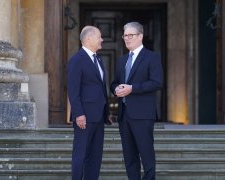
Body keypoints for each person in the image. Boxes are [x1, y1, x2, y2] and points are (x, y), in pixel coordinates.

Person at [110, 22, 163, 180]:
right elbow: (115, 82)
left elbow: (157, 82)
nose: (127, 39)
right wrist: (116, 89)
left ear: (140, 36)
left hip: (143, 115)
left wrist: (132, 88)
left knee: (147, 156)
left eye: (130, 35)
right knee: (129, 158)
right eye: (125, 35)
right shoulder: (122, 60)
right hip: (124, 115)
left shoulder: (152, 57)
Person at [67, 25, 112, 180]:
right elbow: (73, 91)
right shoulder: (76, 60)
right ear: (88, 38)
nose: (102, 39)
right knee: (80, 155)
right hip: (84, 117)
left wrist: (106, 113)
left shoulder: (98, 59)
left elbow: (99, 87)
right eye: (99, 36)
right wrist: (79, 113)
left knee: (95, 157)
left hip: (98, 117)